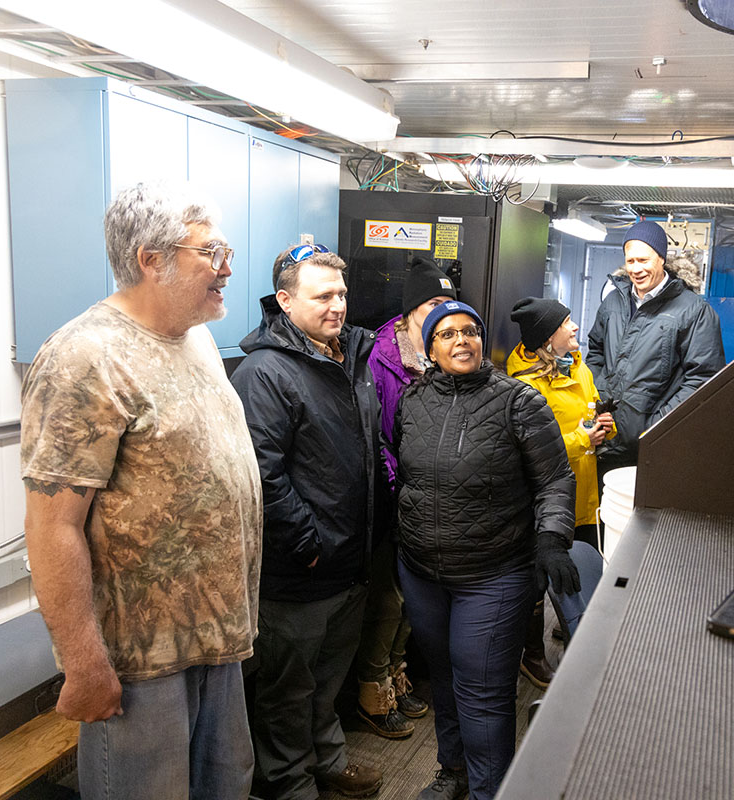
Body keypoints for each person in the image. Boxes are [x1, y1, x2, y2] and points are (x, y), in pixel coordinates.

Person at [20, 182, 262, 800]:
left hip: (217, 639)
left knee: (227, 787)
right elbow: (53, 526)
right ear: (151, 259)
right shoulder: (86, 356)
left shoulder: (199, 338)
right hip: (139, 661)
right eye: (210, 251)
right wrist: (83, 663)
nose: (227, 266)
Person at [395, 301, 578, 800]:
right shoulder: (412, 401)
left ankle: (489, 791)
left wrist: (551, 538)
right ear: (429, 348)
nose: (461, 341)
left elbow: (555, 479)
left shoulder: (519, 402)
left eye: (470, 332)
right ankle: (453, 772)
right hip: (422, 572)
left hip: (492, 575)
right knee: (446, 683)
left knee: (483, 694)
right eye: (448, 334)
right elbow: (406, 472)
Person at [230, 245, 383, 800]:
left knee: (327, 680)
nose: (338, 306)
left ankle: (328, 760)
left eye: (342, 294)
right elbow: (261, 472)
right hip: (300, 567)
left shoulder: (349, 360)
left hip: (349, 559)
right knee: (288, 689)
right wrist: (306, 541)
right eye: (323, 297)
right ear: (286, 301)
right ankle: (288, 781)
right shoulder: (265, 372)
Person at [355, 257, 454, 738]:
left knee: (415, 599)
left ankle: (396, 671)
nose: (442, 311)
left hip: (431, 497)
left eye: (448, 302)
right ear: (412, 309)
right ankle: (372, 689)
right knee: (389, 597)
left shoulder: (442, 349)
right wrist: (401, 483)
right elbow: (375, 433)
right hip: (394, 492)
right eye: (433, 302)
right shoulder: (381, 357)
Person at [585, 220, 726, 483]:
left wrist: (656, 426)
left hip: (651, 449)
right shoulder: (613, 302)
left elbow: (702, 379)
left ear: (661, 258)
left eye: (643, 260)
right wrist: (597, 398)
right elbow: (595, 352)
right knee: (602, 518)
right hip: (603, 441)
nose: (636, 269)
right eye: (630, 261)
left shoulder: (694, 311)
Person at [507, 297, 616, 549]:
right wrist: (582, 440)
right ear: (547, 338)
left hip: (587, 498)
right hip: (552, 504)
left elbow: (592, 411)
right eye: (566, 322)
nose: (576, 326)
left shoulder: (579, 368)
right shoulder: (526, 387)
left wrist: (606, 426)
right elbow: (528, 453)